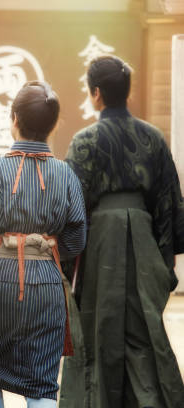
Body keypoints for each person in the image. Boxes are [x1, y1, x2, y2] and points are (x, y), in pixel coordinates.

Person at [60, 55, 184, 408]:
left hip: (100, 244)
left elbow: (74, 206)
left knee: (99, 328)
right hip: (143, 242)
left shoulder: (85, 141)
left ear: (96, 94)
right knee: (144, 332)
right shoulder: (152, 137)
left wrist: (67, 268)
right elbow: (167, 202)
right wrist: (165, 266)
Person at [0, 81, 87, 407]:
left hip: (0, 281)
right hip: (48, 283)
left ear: (13, 118)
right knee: (43, 381)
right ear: (55, 124)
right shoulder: (66, 175)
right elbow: (75, 241)